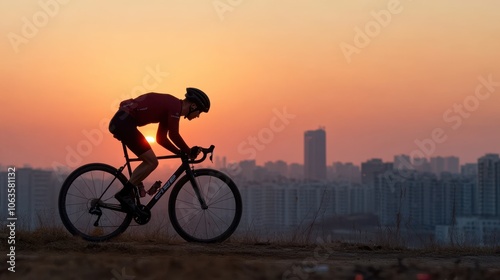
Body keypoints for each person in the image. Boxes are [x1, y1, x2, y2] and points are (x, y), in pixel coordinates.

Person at [108, 87, 210, 213]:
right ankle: (124, 194)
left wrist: (180, 153)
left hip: (123, 122)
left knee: (149, 161)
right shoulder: (174, 107)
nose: (198, 116)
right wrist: (188, 152)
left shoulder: (172, 107)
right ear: (193, 106)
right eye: (199, 112)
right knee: (152, 162)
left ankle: (128, 193)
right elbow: (174, 135)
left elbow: (161, 139)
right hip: (124, 122)